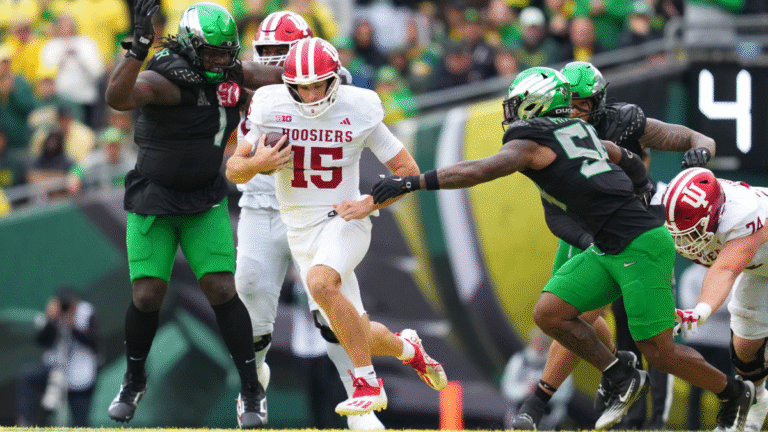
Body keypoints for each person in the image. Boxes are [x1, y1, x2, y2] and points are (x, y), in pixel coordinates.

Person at [371, 66, 755, 431]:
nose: (511, 111)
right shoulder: (578, 130)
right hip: (606, 243)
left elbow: (479, 170)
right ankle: (619, 373)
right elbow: (622, 156)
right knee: (551, 313)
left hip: (640, 243)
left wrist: (411, 183)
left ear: (536, 104)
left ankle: (733, 392)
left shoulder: (534, 141)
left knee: (659, 351)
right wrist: (639, 181)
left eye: (516, 102)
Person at [226, 36, 448, 417]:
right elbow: (234, 168)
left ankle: (367, 382)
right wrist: (256, 164)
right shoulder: (270, 105)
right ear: (287, 85)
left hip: (343, 219)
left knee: (318, 283)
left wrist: (368, 203)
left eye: (319, 85)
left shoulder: (358, 108)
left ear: (335, 81)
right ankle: (407, 347)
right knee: (353, 329)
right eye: (302, 87)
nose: (311, 95)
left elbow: (407, 172)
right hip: (299, 229)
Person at [103, 0, 288, 427]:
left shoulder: (227, 70)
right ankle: (133, 380)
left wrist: (326, 74)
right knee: (147, 294)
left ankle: (251, 390)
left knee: (223, 289)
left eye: (226, 53)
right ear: (189, 47)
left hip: (203, 199)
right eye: (213, 54)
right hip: (155, 198)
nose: (221, 62)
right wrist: (137, 50)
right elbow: (118, 97)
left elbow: (269, 74)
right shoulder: (166, 78)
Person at [509, 60, 717, 430]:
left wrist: (701, 150)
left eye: (581, 104)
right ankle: (562, 395)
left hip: (635, 232)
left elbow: (692, 137)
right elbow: (553, 213)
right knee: (574, 315)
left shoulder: (624, 122)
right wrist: (593, 242)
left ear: (598, 102)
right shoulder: (546, 135)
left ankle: (638, 412)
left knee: (651, 337)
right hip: (585, 231)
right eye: (566, 103)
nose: (572, 112)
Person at [234, 13, 384, 429]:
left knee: (332, 306)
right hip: (264, 203)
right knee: (249, 288)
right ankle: (253, 383)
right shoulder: (257, 95)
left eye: (280, 55)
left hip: (320, 209)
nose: (271, 65)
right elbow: (233, 156)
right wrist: (256, 162)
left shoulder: (334, 85)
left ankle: (361, 400)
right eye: (265, 55)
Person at [663, 167, 768, 432]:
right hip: (760, 267)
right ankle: (754, 407)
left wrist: (701, 309)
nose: (683, 239)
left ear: (716, 214)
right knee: (744, 348)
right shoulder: (683, 205)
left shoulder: (744, 215)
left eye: (691, 231)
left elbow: (725, 270)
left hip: (756, 258)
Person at [16, 286, 99, 427]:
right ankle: (26, 422)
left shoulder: (86, 312)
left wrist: (72, 325)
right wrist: (51, 320)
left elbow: (94, 343)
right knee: (27, 377)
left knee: (80, 422)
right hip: (56, 371)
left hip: (80, 374)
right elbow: (42, 341)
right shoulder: (54, 313)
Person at [677, 263, 734, 430]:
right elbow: (689, 305)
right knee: (695, 389)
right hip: (697, 340)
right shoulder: (690, 274)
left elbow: (733, 305)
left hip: (723, 341)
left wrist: (704, 307)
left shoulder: (727, 274)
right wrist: (716, 304)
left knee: (726, 388)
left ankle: (727, 426)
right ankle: (693, 427)